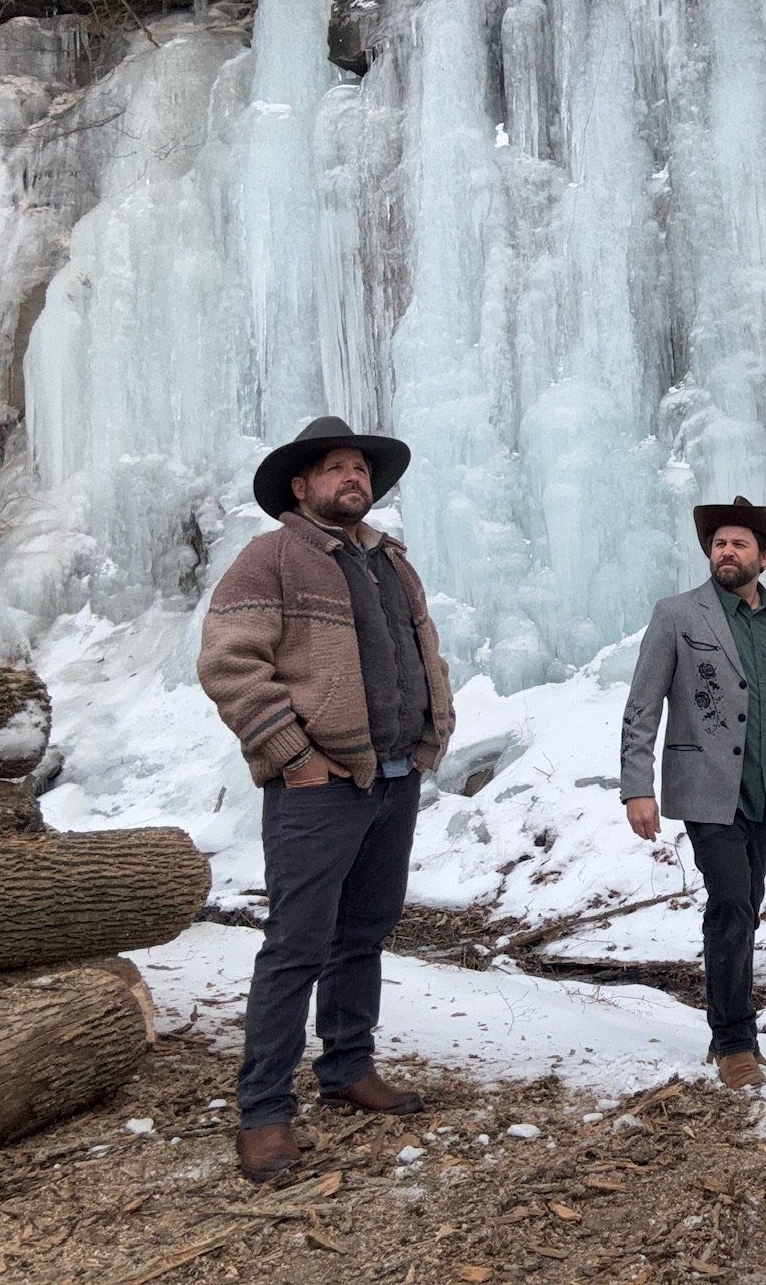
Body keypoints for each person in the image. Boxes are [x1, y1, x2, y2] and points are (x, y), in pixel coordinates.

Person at [198, 415, 455, 1185]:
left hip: (393, 778)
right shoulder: (272, 557)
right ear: (301, 486)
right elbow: (228, 663)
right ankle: (264, 1112)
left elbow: (421, 652)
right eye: (337, 468)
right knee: (296, 944)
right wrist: (292, 755)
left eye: (361, 470)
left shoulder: (389, 563)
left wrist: (431, 734)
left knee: (364, 932)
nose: (354, 479)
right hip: (320, 786)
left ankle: (347, 1065)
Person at [620, 496, 766, 1090]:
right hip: (705, 788)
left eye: (739, 544)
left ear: (765, 557)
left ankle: (737, 1033)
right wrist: (637, 786)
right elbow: (642, 704)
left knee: (748, 906)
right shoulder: (677, 614)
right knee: (731, 904)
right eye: (718, 544)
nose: (726, 552)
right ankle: (733, 1040)